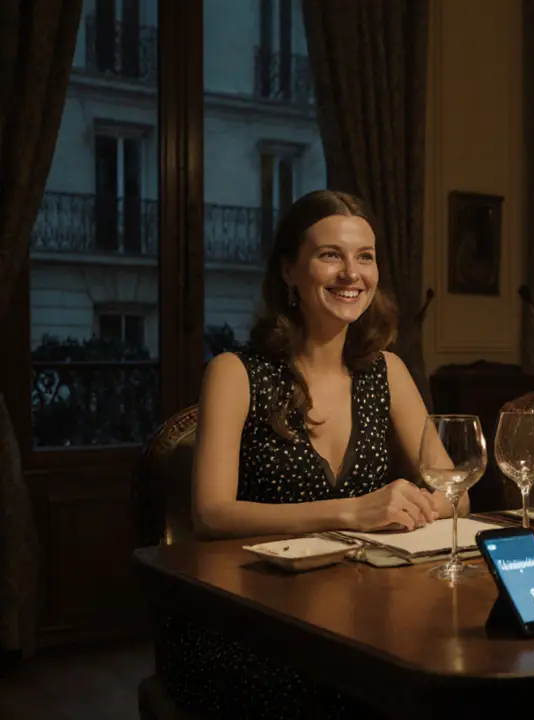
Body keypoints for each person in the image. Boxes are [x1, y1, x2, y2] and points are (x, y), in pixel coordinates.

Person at [161, 189, 467, 718]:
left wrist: (422, 503)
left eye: (365, 257)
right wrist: (355, 511)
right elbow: (211, 515)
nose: (352, 273)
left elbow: (456, 493)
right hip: (254, 624)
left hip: (362, 616)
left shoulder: (387, 372)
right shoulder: (235, 373)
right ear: (288, 271)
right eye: (331, 255)